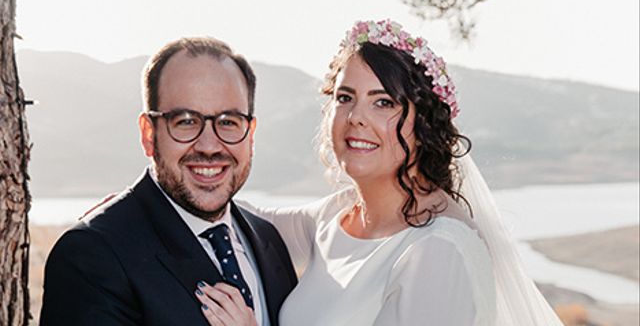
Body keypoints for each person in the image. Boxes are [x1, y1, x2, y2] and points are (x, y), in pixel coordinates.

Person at [196, 19, 564, 326]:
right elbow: (241, 216)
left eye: (383, 102)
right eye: (345, 98)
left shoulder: (439, 250)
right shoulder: (334, 217)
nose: (356, 117)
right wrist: (184, 155)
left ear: (424, 125)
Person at [39, 37, 297, 326]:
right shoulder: (91, 256)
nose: (209, 146)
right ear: (149, 134)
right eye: (186, 121)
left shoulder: (267, 240)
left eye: (228, 121)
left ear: (250, 134)